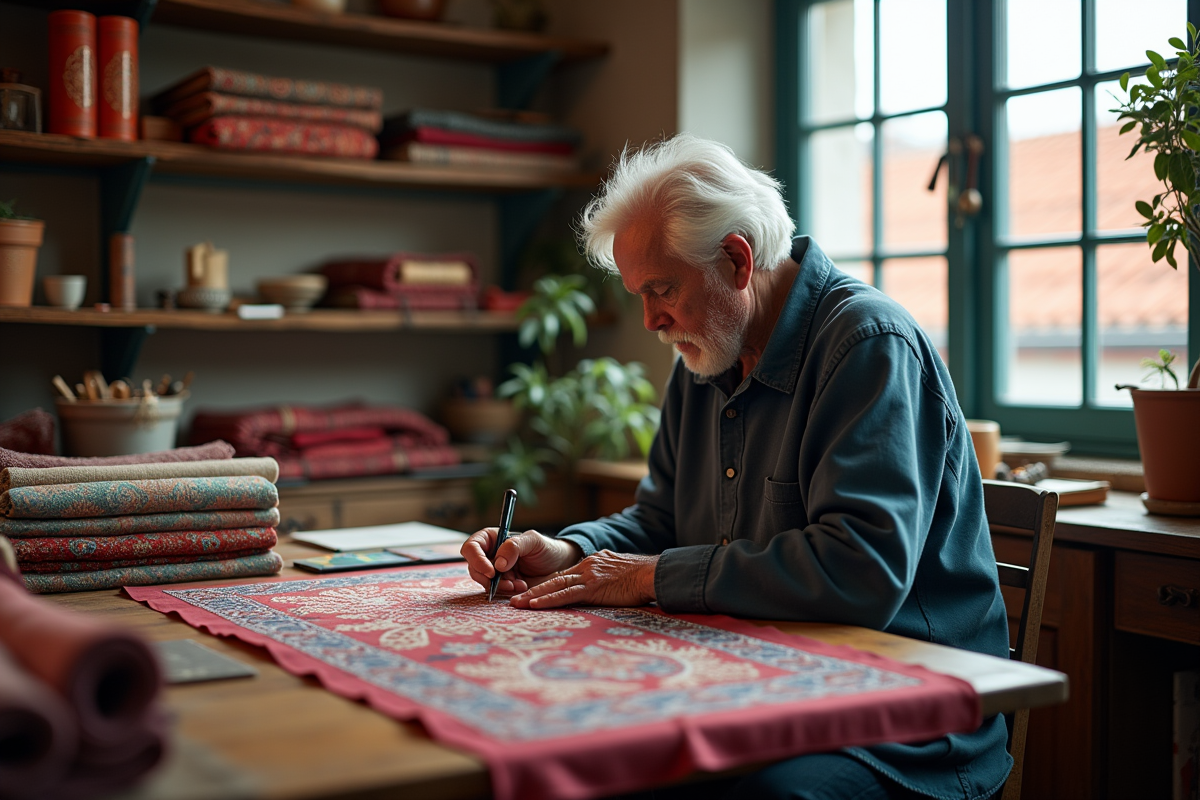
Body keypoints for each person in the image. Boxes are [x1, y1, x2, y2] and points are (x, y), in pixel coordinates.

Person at [461, 133, 1012, 800]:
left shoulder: (868, 345)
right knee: (569, 755)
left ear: (736, 259)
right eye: (639, 294)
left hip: (904, 720)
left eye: (661, 289)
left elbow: (861, 568)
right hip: (763, 687)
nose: (651, 321)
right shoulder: (706, 352)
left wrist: (650, 578)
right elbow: (661, 519)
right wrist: (570, 548)